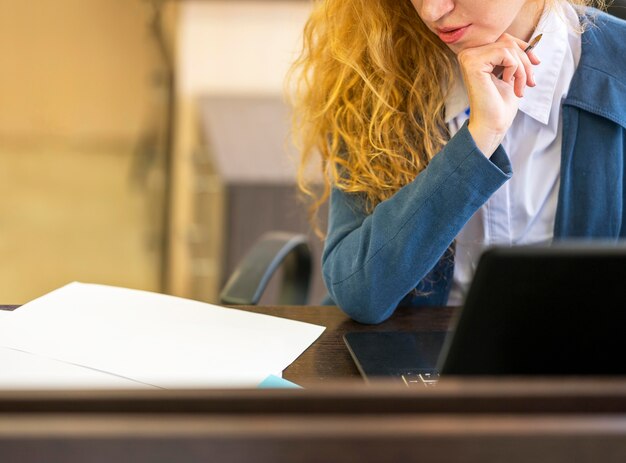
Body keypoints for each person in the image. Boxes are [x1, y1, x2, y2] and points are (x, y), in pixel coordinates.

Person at [288, 0, 626, 324]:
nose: (432, 10)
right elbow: (359, 292)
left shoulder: (617, 62)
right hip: (412, 362)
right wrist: (479, 139)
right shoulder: (375, 69)